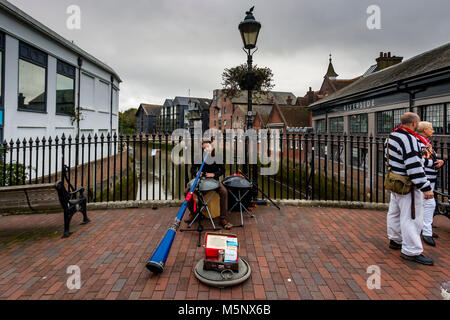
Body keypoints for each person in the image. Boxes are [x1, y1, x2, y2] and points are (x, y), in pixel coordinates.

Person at [386, 112, 434, 265]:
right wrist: (425, 187)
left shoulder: (391, 136)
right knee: (412, 217)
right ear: (414, 124)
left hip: (395, 181)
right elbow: (414, 165)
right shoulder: (409, 139)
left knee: (394, 212)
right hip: (408, 184)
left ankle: (395, 239)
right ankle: (411, 250)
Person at [184, 140, 233, 230]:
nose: (205, 150)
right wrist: (197, 172)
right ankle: (194, 213)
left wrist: (213, 174)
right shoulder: (199, 156)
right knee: (186, 192)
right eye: (203, 148)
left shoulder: (217, 156)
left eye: (207, 147)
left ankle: (223, 218)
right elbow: (192, 169)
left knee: (224, 192)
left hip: (213, 180)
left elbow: (222, 170)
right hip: (201, 179)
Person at [416, 121, 444, 246]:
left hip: (430, 177)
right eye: (430, 128)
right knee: (429, 203)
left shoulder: (425, 142)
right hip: (425, 178)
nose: (433, 131)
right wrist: (434, 163)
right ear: (424, 130)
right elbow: (421, 160)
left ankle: (425, 229)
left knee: (426, 204)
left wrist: (437, 161)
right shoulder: (420, 142)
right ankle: (426, 232)